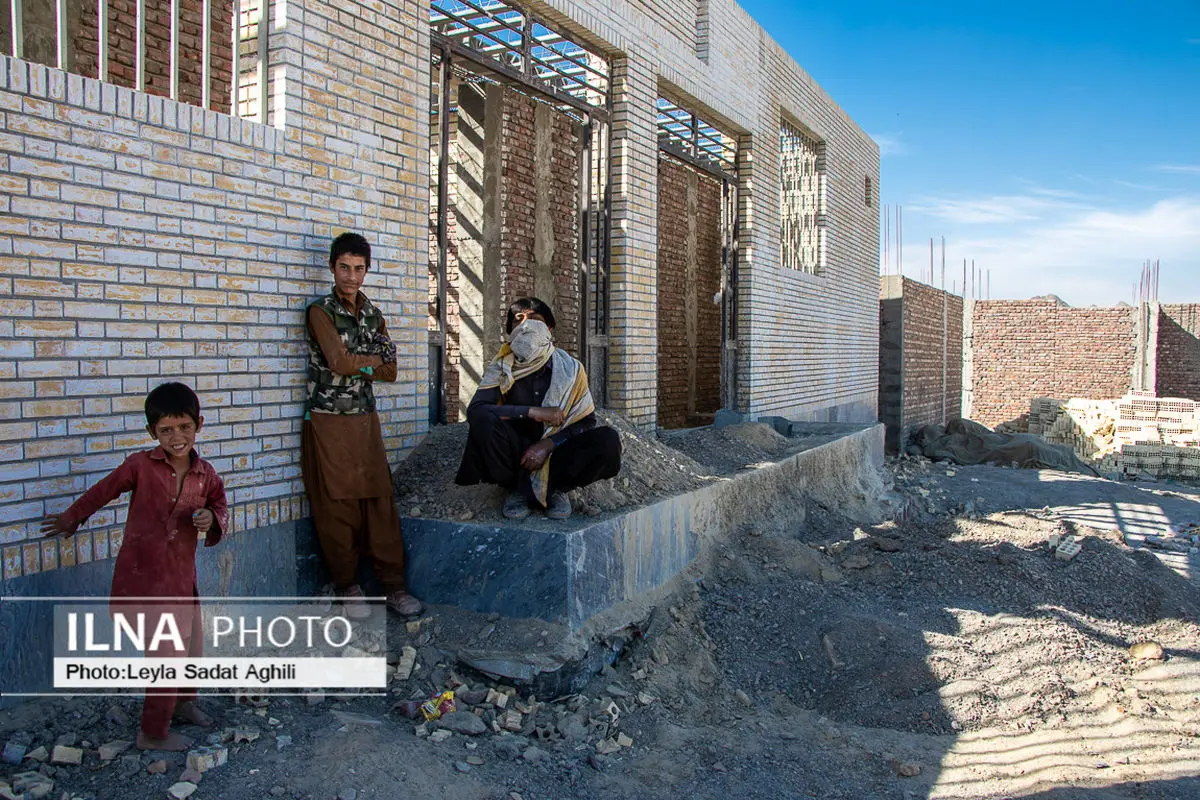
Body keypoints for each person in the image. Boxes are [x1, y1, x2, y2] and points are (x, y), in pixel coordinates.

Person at [42, 381, 228, 751]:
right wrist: (72, 518)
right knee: (165, 652)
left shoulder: (205, 473)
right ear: (151, 432)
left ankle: (184, 703)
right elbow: (104, 490)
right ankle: (152, 732)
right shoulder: (140, 466)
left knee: (191, 645)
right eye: (166, 430)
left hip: (181, 578)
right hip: (143, 576)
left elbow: (220, 505)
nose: (177, 437)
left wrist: (211, 517)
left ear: (199, 425)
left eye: (184, 427)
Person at [302, 232, 422, 619]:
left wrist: (361, 361)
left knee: (379, 501)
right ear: (331, 267)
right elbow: (337, 361)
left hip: (365, 419)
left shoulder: (373, 314)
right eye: (344, 268)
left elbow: (391, 371)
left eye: (358, 269)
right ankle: (348, 586)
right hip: (328, 420)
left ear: (367, 270)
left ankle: (393, 587)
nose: (351, 277)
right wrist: (368, 360)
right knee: (337, 505)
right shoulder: (320, 312)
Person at [456, 297, 622, 520]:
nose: (525, 325)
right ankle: (517, 489)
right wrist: (532, 412)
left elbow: (586, 421)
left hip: (558, 452)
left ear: (549, 328)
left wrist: (548, 444)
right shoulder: (501, 367)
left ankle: (555, 488)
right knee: (483, 421)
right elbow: (477, 410)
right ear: (510, 330)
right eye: (518, 320)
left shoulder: (571, 369)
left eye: (534, 319)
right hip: (515, 452)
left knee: (608, 441)